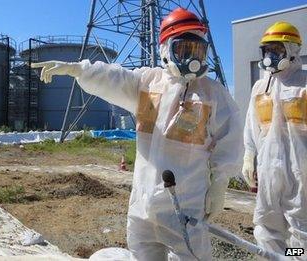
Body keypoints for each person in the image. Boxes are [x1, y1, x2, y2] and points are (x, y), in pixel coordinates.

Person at [33, 8, 242, 260]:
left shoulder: (213, 94)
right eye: (183, 49)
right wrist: (79, 69)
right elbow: (114, 77)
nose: (191, 58)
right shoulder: (147, 83)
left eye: (197, 50)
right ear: (166, 49)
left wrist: (220, 182)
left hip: (185, 208)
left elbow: (229, 141)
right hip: (142, 207)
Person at [242, 21, 307, 255]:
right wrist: (249, 155)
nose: (270, 56)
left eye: (276, 51)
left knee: (301, 232)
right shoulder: (261, 88)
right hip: (269, 172)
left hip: (301, 174)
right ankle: (278, 259)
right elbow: (252, 126)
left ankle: (295, 258)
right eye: (267, 51)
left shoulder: (304, 85)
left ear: (292, 51)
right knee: (266, 228)